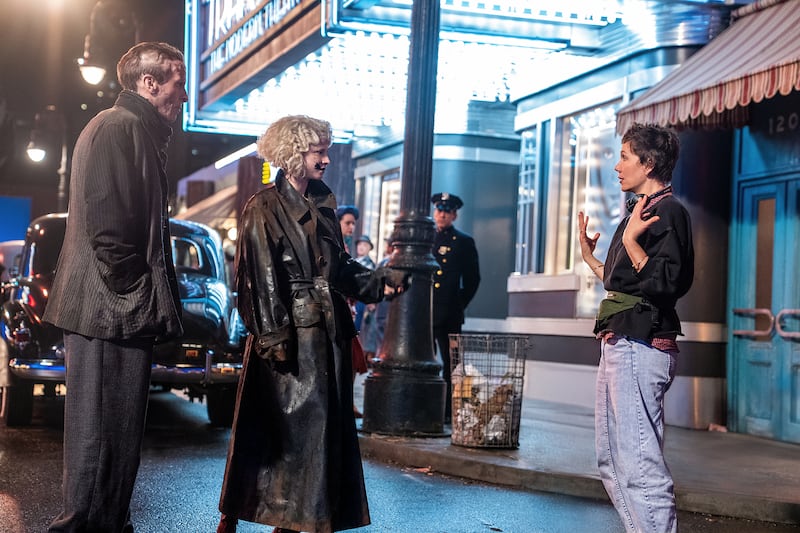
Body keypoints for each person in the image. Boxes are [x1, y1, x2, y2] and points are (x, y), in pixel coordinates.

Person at [217, 115, 406, 533]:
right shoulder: (263, 206)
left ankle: (304, 518)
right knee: (285, 436)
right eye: (318, 150)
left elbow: (338, 269)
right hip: (290, 338)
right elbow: (259, 279)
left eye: (326, 149)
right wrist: (273, 337)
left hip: (326, 336)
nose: (326, 159)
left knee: (318, 440)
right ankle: (276, 517)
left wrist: (379, 283)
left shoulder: (322, 205)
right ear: (293, 153)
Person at [43, 42, 187, 532]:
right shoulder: (118, 128)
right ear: (149, 83)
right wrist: (140, 293)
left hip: (114, 310)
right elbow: (109, 232)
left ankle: (107, 525)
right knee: (103, 440)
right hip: (112, 312)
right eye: (176, 81)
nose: (182, 94)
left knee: (111, 441)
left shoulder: (126, 129)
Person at [577, 123, 694, 533]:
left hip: (641, 343)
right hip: (620, 339)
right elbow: (619, 282)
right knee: (611, 458)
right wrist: (591, 258)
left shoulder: (669, 211)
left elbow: (668, 284)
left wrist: (630, 243)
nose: (616, 166)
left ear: (648, 163)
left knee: (639, 461)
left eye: (625, 156)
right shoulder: (637, 211)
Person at [430, 192, 481, 422]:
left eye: (446, 211)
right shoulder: (426, 237)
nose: (442, 214)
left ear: (454, 215)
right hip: (426, 312)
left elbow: (473, 279)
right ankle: (428, 406)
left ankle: (449, 412)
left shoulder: (463, 242)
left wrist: (458, 303)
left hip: (449, 313)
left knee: (452, 364)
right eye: (439, 210)